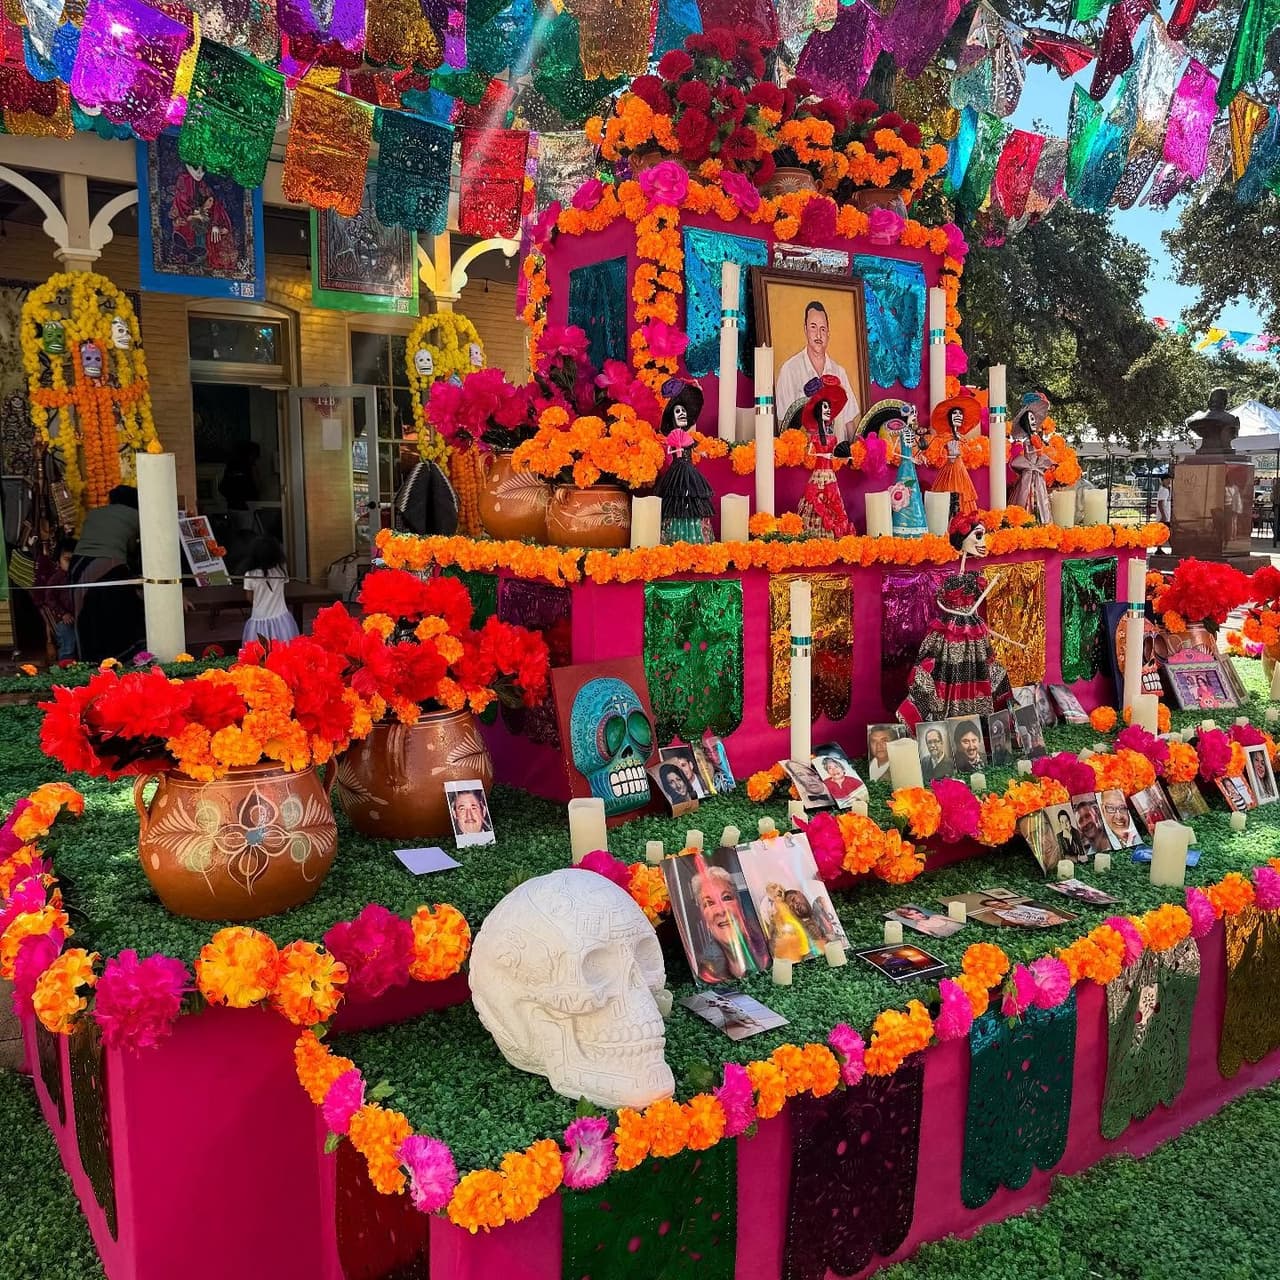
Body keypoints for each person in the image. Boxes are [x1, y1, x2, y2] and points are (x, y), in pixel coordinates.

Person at [899, 515, 1013, 727]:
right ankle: (944, 723)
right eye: (978, 536)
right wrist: (963, 613)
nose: (982, 542)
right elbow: (944, 603)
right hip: (954, 629)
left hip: (972, 628)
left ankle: (984, 726)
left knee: (985, 669)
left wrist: (973, 617)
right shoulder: (955, 581)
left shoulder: (972, 578)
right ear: (963, 541)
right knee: (944, 670)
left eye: (983, 536)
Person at [69, 484, 144, 663]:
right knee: (117, 613)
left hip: (79, 565)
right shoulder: (137, 516)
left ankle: (87, 660)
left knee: (85, 614)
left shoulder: (94, 514)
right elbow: (134, 548)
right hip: (109, 565)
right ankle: (119, 657)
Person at [775, 301, 858, 439]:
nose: (818, 335)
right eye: (813, 327)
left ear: (828, 333)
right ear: (805, 329)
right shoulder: (789, 370)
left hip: (838, 456)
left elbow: (849, 423)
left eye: (823, 329)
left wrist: (855, 455)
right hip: (805, 456)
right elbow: (782, 424)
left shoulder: (839, 372)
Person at [690, 862, 770, 983]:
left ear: (739, 904)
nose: (721, 911)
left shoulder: (771, 946)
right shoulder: (703, 972)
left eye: (726, 898)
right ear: (703, 917)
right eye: (709, 903)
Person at [795, 376, 851, 537]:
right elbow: (810, 453)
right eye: (824, 407)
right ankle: (815, 532)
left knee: (833, 499)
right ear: (818, 411)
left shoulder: (832, 438)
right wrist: (823, 454)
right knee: (816, 499)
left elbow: (835, 454)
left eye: (828, 407)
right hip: (818, 474)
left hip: (830, 474)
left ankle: (834, 530)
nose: (828, 410)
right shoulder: (814, 438)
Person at [241, 536, 298, 646]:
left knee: (260, 653)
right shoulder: (281, 570)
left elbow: (249, 598)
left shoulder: (250, 574)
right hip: (281, 619)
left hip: (259, 618)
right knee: (284, 650)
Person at [1008, 393, 1053, 524]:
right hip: (1029, 474)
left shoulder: (1037, 439)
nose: (1033, 421)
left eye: (1034, 418)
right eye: (1030, 419)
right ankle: (1027, 520)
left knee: (1040, 494)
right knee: (1025, 495)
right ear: (1025, 423)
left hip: (1037, 474)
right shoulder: (1027, 442)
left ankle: (1041, 521)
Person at [36, 538, 77, 661]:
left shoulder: (79, 575)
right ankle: (65, 670)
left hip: (78, 617)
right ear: (58, 560)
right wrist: (63, 613)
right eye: (67, 560)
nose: (71, 564)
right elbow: (49, 598)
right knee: (68, 644)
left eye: (74, 560)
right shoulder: (56, 578)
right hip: (63, 620)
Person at [761, 882, 818, 961]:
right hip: (797, 943)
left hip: (802, 942)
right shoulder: (776, 911)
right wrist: (770, 934)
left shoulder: (787, 906)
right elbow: (773, 924)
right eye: (775, 895)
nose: (794, 906)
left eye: (779, 893)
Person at [219, 441, 260, 513]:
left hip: (234, 506)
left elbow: (222, 488)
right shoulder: (248, 468)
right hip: (245, 507)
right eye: (255, 456)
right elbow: (256, 486)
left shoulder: (232, 466)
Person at [1155, 476, 1171, 554]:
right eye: (1167, 480)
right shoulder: (1164, 490)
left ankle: (1159, 549)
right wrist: (1163, 516)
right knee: (1164, 533)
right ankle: (1159, 549)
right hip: (1164, 517)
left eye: (1169, 480)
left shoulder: (1167, 490)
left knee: (1164, 533)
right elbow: (1160, 503)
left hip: (1166, 515)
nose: (1169, 481)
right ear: (1162, 481)